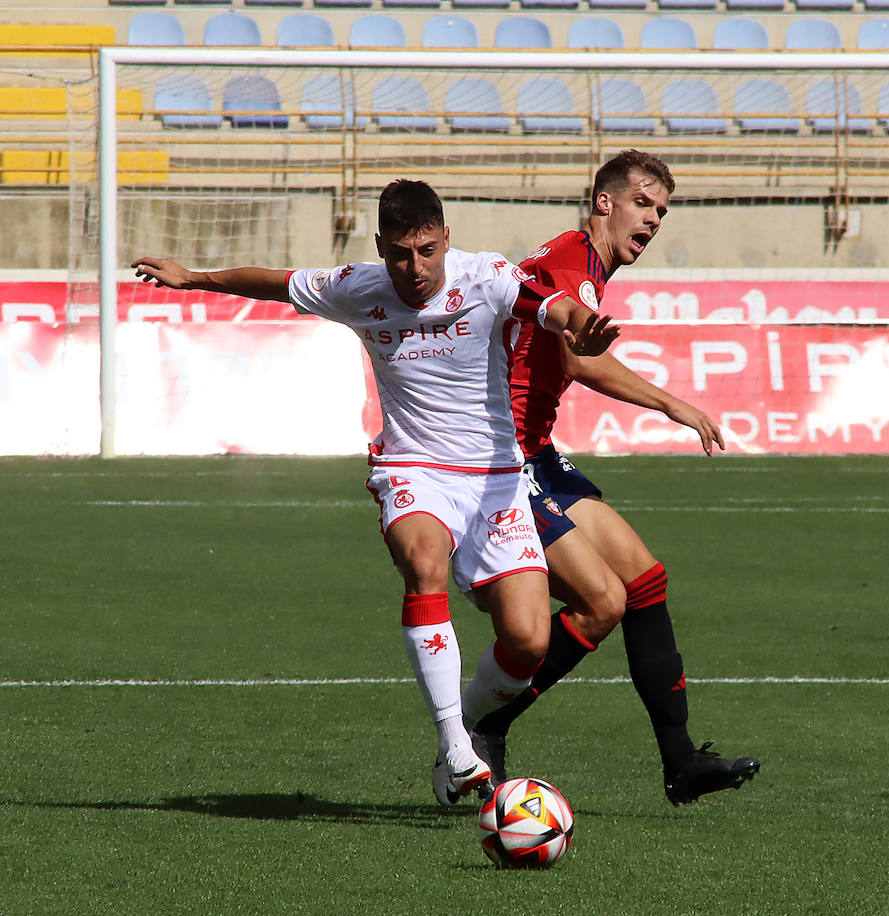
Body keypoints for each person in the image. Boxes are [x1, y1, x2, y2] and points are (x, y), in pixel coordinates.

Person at [131, 178, 619, 806]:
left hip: (497, 478)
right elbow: (277, 282)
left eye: (425, 251)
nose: (413, 268)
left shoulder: (488, 276)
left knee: (528, 641)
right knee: (423, 563)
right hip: (413, 466)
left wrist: (587, 326)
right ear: (380, 247)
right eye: (398, 253)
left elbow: (554, 306)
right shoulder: (359, 287)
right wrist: (197, 277)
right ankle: (457, 742)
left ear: (446, 239)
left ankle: (459, 734)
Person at [463, 150, 761, 806]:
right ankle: (484, 724)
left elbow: (564, 355)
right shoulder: (574, 262)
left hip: (537, 451)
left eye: (661, 211)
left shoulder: (588, 263)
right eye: (643, 204)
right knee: (603, 603)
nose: (653, 220)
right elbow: (577, 360)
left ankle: (682, 764)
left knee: (643, 579)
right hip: (504, 459)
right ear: (605, 203)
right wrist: (674, 404)